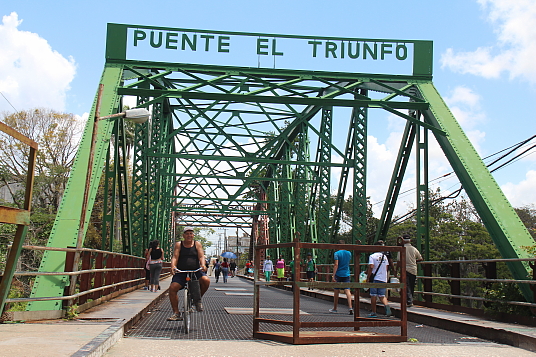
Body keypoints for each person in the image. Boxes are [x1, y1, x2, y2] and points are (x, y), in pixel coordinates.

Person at [167, 226, 210, 321]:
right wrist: (173, 266)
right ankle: (176, 313)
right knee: (172, 288)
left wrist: (203, 264)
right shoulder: (179, 244)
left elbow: (201, 256)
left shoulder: (197, 244)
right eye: (187, 233)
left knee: (206, 281)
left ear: (193, 235)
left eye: (191, 233)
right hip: (181, 272)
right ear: (183, 235)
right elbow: (175, 257)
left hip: (195, 271)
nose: (189, 235)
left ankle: (196, 300)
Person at [367, 240, 392, 317]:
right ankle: (388, 310)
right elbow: (387, 267)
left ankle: (374, 312)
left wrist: (368, 277)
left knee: (373, 295)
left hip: (375, 278)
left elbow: (371, 267)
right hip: (383, 278)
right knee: (382, 295)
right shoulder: (384, 257)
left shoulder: (372, 256)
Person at [397, 234, 423, 307]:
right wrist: (414, 261)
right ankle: (410, 300)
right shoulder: (414, 249)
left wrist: (396, 270)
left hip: (404, 269)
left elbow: (399, 261)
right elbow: (421, 258)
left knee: (406, 285)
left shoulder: (401, 249)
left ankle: (409, 301)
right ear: (410, 240)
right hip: (413, 269)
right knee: (411, 285)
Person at [330, 240, 353, 315]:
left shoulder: (336, 253)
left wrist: (333, 275)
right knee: (347, 291)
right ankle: (350, 307)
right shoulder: (349, 253)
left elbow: (336, 264)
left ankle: (335, 308)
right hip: (346, 273)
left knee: (336, 291)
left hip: (338, 274)